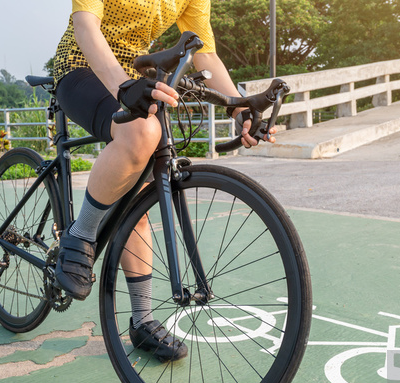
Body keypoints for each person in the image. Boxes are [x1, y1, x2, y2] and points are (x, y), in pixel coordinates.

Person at [51, 0, 276, 360]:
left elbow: (205, 56)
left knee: (138, 195)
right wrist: (123, 86)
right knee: (141, 132)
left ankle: (142, 321)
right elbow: (85, 26)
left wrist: (239, 106)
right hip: (82, 66)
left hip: (137, 76)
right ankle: (80, 235)